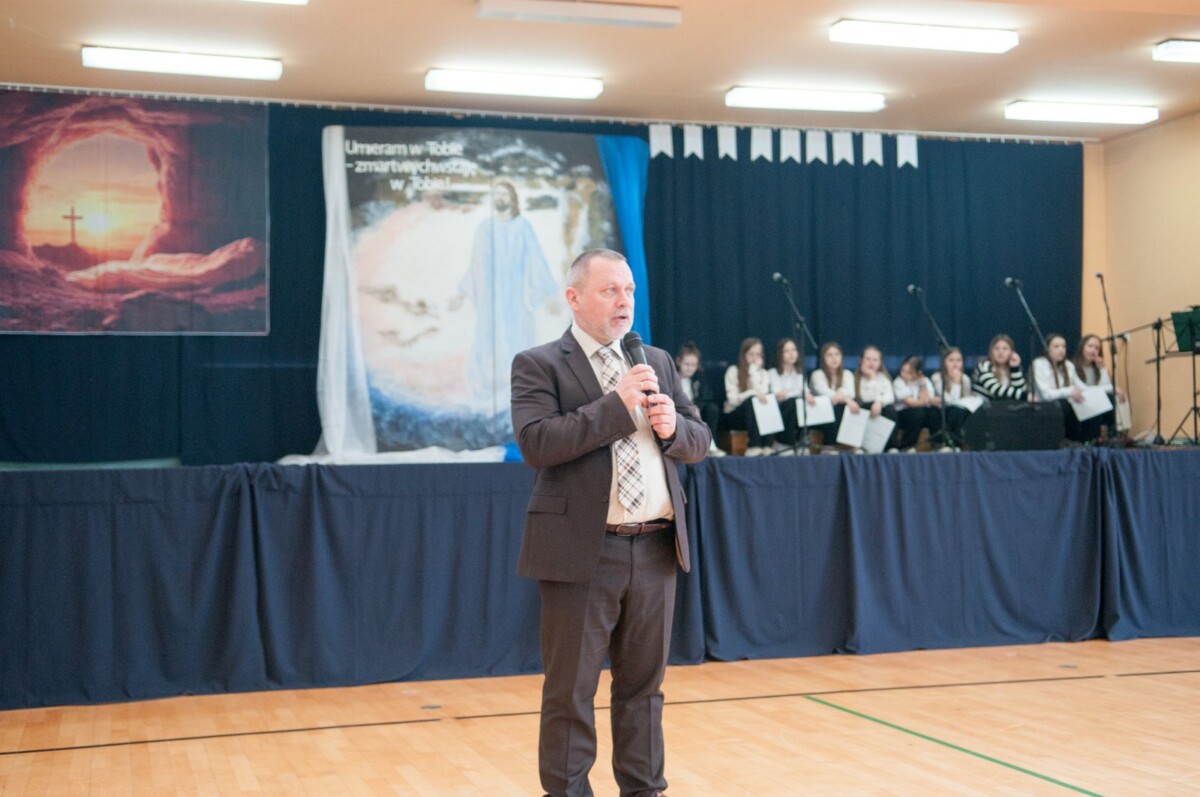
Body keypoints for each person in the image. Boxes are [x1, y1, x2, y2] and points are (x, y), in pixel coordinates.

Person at [510, 248, 711, 797]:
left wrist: (674, 430)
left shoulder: (656, 360)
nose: (625, 301)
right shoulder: (539, 363)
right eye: (610, 291)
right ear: (574, 298)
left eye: (629, 290)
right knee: (571, 692)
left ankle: (645, 790)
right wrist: (615, 408)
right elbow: (537, 444)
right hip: (583, 553)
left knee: (644, 691)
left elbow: (699, 440)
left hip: (655, 549)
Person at [454, 180, 559, 402]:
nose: (500, 198)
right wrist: (461, 293)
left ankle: (519, 391)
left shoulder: (523, 226)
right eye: (497, 194)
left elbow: (536, 260)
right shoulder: (485, 228)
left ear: (512, 198)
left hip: (516, 296)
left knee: (517, 339)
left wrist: (549, 295)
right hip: (491, 298)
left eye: (504, 194)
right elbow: (475, 265)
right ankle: (486, 390)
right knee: (488, 338)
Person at [1032, 333, 1094, 443]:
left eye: (1063, 346)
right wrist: (1070, 391)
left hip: (1066, 405)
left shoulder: (1068, 365)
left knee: (1088, 402)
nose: (1061, 350)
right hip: (1046, 406)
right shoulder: (1039, 364)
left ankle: (1088, 441)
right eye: (1056, 346)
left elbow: (1081, 387)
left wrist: (1106, 390)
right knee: (1064, 404)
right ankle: (1067, 441)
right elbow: (1046, 395)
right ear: (1047, 349)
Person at [722, 337, 775, 456]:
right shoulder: (733, 371)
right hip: (736, 414)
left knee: (768, 401)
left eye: (758, 354)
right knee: (752, 400)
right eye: (751, 354)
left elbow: (763, 395)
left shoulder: (764, 374)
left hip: (758, 415)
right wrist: (751, 392)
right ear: (744, 354)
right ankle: (754, 445)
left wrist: (754, 372)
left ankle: (768, 445)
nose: (754, 358)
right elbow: (733, 400)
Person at [675, 341, 725, 457]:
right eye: (687, 364)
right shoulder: (672, 376)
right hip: (677, 409)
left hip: (695, 409)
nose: (690, 368)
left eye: (693, 365)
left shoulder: (699, 376)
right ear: (678, 361)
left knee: (712, 409)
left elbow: (706, 395)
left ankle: (710, 444)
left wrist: (697, 406)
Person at [1073, 333, 1127, 438]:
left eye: (1096, 348)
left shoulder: (1096, 369)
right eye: (1090, 346)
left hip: (1094, 402)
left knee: (1111, 398)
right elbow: (1085, 389)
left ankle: (1113, 434)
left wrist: (1102, 369)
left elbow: (1105, 388)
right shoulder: (1072, 366)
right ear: (1082, 347)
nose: (1093, 350)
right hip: (1080, 402)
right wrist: (1113, 388)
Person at [767, 337, 816, 450]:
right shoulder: (773, 373)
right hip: (780, 409)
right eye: (787, 351)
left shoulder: (800, 373)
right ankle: (785, 443)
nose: (791, 354)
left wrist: (803, 394)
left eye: (794, 350)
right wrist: (799, 393)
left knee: (806, 403)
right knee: (793, 402)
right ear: (780, 354)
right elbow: (780, 395)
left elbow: (805, 391)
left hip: (796, 407)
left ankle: (802, 440)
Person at [809, 341, 858, 445]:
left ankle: (848, 444)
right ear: (823, 358)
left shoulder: (847, 374)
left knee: (847, 406)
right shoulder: (817, 374)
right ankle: (830, 444)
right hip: (820, 413)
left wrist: (842, 394)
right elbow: (824, 393)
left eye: (837, 354)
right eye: (829, 355)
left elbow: (851, 393)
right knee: (834, 405)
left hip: (840, 410)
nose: (834, 358)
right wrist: (846, 399)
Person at [893, 355, 941, 451]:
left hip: (921, 413)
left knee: (934, 411)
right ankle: (907, 446)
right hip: (903, 414)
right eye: (902, 370)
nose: (904, 374)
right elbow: (911, 403)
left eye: (910, 372)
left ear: (918, 373)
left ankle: (938, 444)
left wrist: (922, 384)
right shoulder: (898, 382)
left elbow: (925, 400)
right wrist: (930, 401)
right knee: (918, 412)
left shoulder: (925, 381)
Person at [930, 347, 973, 446]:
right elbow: (950, 401)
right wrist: (956, 383)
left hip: (959, 413)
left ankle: (957, 444)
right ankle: (942, 444)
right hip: (942, 411)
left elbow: (966, 401)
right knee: (951, 412)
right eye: (951, 360)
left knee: (959, 412)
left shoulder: (965, 379)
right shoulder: (937, 377)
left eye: (958, 360)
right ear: (944, 362)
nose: (955, 364)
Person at [972, 334, 1029, 401]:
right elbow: (995, 389)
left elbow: (1020, 390)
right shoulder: (984, 366)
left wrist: (1015, 368)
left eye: (1005, 348)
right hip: (982, 405)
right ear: (991, 351)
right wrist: (1025, 396)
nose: (1000, 352)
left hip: (1004, 406)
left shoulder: (1014, 368)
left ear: (1012, 352)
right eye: (997, 348)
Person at [855, 345, 898, 429]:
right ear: (861, 360)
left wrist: (879, 402)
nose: (871, 363)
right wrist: (872, 378)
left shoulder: (883, 378)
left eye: (875, 360)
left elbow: (890, 397)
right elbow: (866, 398)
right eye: (868, 359)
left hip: (880, 410)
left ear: (880, 362)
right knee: (869, 405)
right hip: (862, 412)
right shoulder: (855, 378)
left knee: (889, 409)